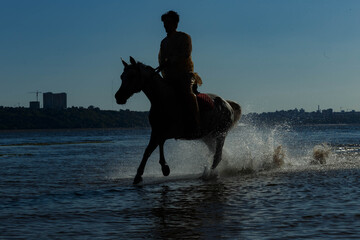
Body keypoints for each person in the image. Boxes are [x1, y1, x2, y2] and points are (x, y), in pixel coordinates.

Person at [158, 10, 202, 135]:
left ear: (175, 24)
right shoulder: (163, 42)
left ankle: (196, 123)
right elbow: (161, 58)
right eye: (164, 24)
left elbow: (186, 53)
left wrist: (171, 60)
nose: (166, 26)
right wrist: (162, 65)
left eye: (168, 23)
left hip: (185, 75)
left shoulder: (184, 37)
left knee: (188, 94)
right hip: (169, 76)